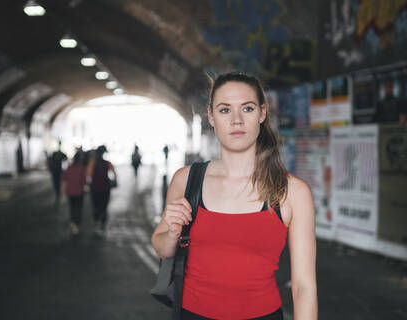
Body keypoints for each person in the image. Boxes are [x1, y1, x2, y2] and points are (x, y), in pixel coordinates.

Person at [152, 72, 317, 320]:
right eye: (225, 110)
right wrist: (173, 232)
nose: (237, 120)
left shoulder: (292, 191)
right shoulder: (187, 180)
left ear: (262, 113)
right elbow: (162, 248)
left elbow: (304, 287)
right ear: (211, 116)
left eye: (247, 109)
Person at [87, 145, 117, 234]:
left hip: (95, 187)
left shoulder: (92, 162)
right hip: (105, 187)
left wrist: (88, 184)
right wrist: (113, 181)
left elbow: (88, 175)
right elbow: (114, 174)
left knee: (95, 205)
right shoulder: (107, 163)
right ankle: (102, 225)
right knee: (104, 206)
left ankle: (96, 222)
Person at [61, 152, 87, 235]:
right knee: (78, 208)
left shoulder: (69, 168)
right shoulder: (82, 168)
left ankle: (72, 222)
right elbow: (85, 181)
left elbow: (64, 180)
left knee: (72, 208)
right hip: (79, 192)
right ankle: (77, 224)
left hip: (70, 192)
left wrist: (63, 191)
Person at [49, 141, 67, 206]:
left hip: (58, 171)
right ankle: (58, 194)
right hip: (57, 171)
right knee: (57, 184)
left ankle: (58, 194)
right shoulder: (58, 154)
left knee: (57, 184)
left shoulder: (59, 154)